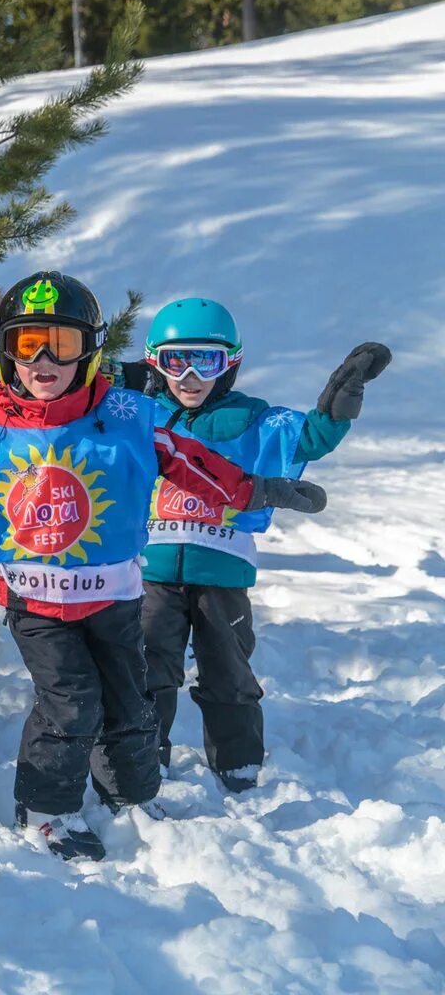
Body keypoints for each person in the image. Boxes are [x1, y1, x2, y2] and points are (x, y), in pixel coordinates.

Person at [0, 272, 330, 861]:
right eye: (26, 344)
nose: (43, 360)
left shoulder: (128, 415)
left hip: (115, 596)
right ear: (5, 351)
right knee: (70, 702)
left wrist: (252, 492)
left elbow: (193, 464)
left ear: (89, 350)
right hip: (37, 602)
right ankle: (46, 809)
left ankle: (131, 796)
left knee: (129, 700)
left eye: (61, 345)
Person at [138, 298, 389, 792]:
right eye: (175, 361)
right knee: (148, 662)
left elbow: (309, 439)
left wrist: (340, 400)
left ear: (229, 363)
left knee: (228, 664)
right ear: (155, 363)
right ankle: (143, 754)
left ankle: (237, 761)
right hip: (151, 570)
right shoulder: (140, 418)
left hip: (223, 570)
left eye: (203, 361)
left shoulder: (252, 421)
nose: (188, 376)